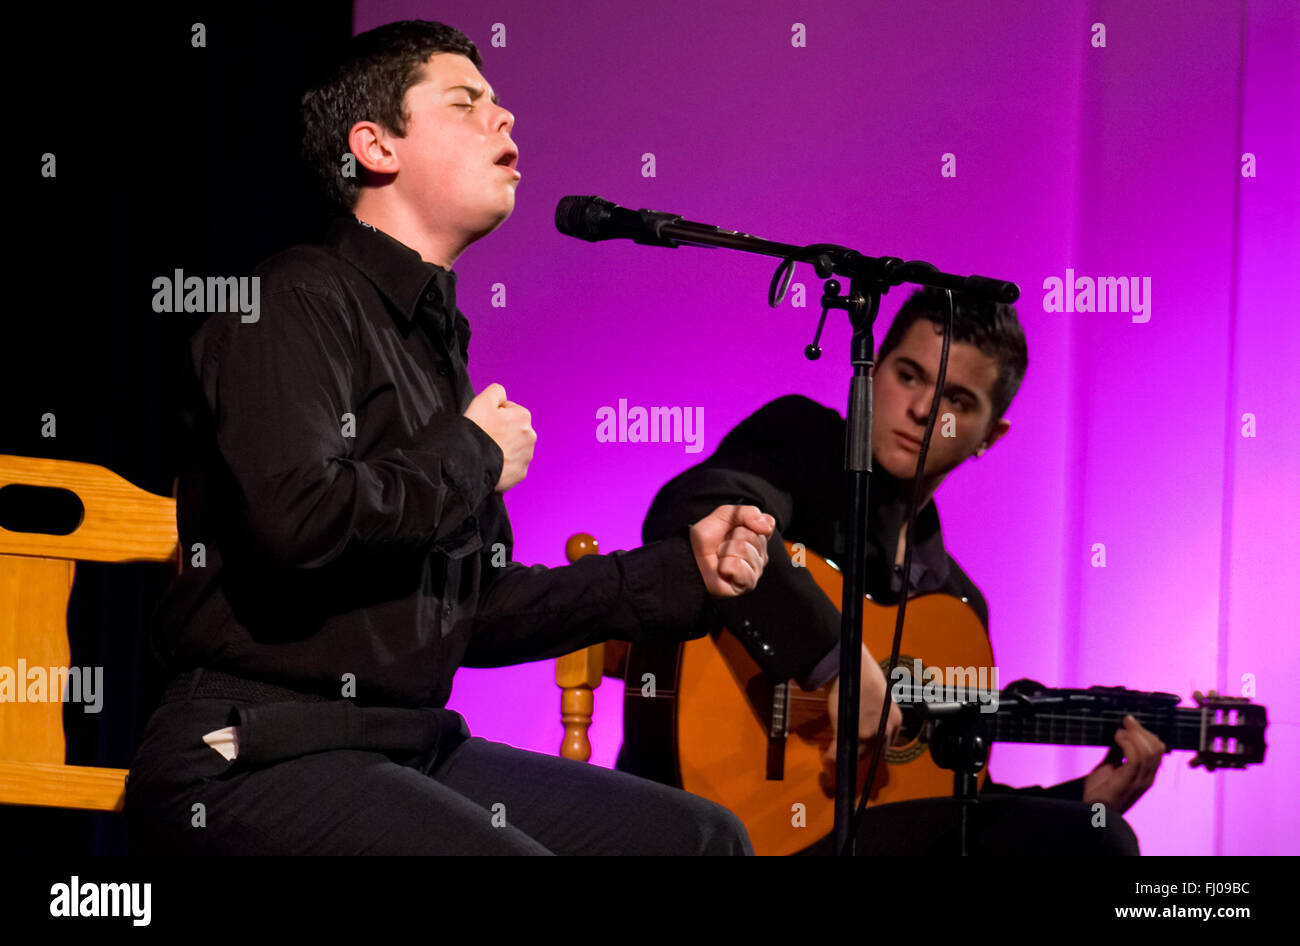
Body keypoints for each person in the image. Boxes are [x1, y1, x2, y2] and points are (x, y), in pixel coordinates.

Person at [124, 19, 776, 856]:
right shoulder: (292, 298)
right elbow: (298, 514)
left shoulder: (435, 348)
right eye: (467, 102)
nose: (505, 120)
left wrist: (679, 570)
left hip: (406, 744)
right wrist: (472, 455)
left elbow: (482, 611)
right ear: (374, 146)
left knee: (697, 838)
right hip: (252, 750)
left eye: (500, 103)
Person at [632, 288, 1167, 854]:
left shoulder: (957, 606)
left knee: (1094, 836)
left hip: (850, 838)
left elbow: (940, 802)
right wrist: (836, 661)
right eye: (908, 376)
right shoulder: (801, 443)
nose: (921, 410)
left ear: (990, 435)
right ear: (872, 371)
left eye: (957, 400)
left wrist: (1081, 799)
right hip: (704, 817)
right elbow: (698, 513)